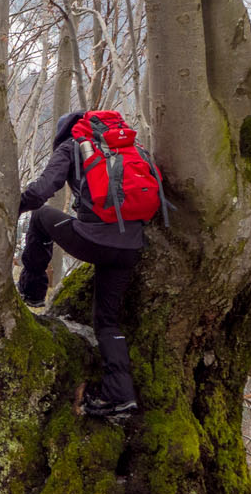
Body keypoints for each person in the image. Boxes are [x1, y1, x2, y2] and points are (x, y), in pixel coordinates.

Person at [16, 110, 153, 418]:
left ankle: (33, 291)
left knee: (40, 217)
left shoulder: (72, 147)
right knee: (107, 322)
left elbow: (40, 193)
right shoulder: (129, 148)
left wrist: (9, 207)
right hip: (131, 247)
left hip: (93, 240)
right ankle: (120, 396)